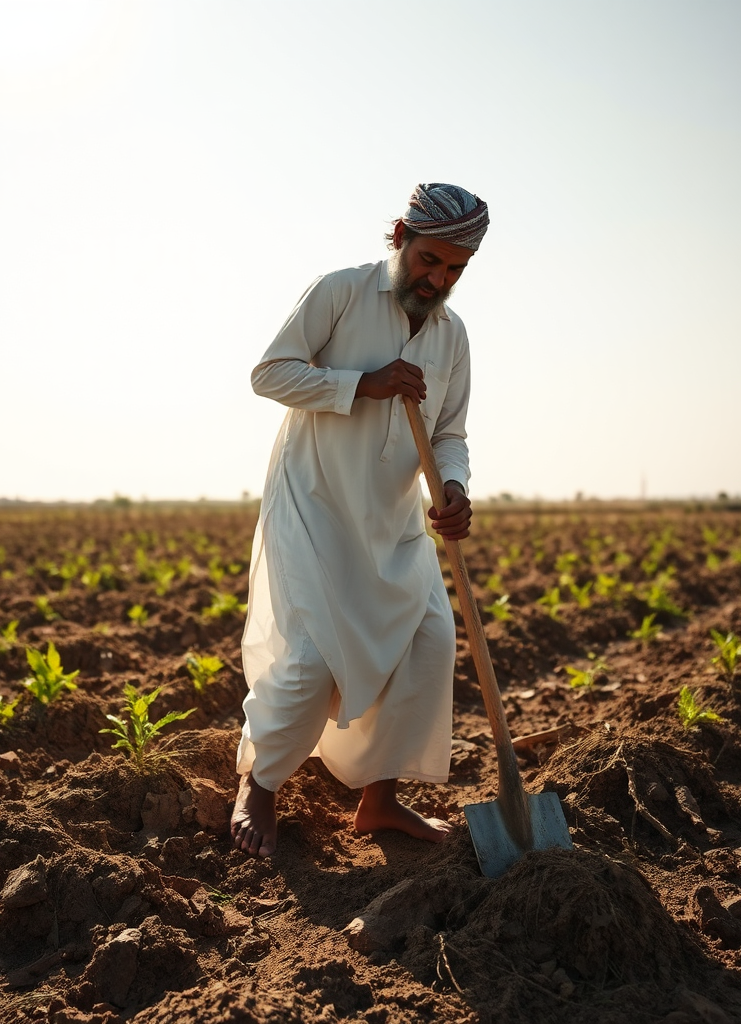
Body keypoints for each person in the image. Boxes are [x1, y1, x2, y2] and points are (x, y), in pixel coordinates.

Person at [231, 183, 489, 858]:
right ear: (400, 235)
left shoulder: (453, 336)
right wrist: (362, 383)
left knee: (430, 646)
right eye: (430, 260)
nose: (438, 280)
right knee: (316, 658)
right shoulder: (341, 292)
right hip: (313, 505)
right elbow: (269, 373)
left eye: (455, 271)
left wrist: (455, 488)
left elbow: (452, 432)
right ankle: (259, 784)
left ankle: (380, 803)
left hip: (396, 524)